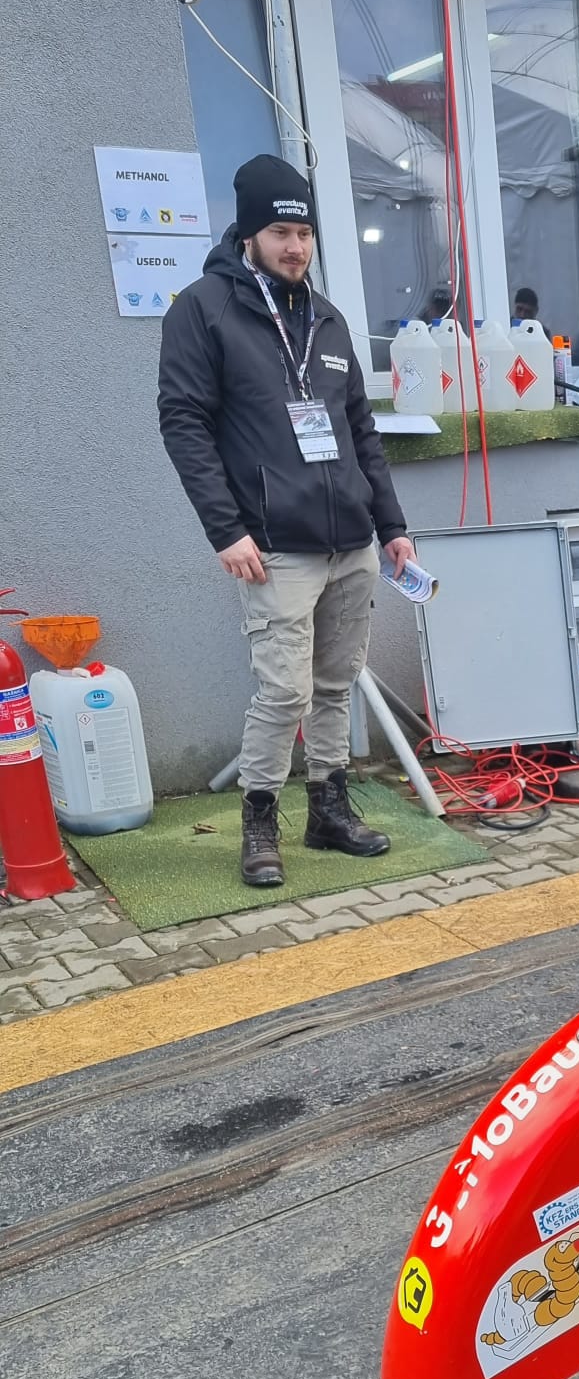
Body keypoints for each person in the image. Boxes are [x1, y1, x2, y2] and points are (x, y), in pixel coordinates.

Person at [158, 154, 416, 888]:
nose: (296, 247)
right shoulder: (203, 310)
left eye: (304, 233)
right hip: (273, 545)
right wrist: (225, 530)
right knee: (283, 693)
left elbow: (361, 430)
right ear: (249, 233)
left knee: (336, 684)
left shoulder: (327, 319)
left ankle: (328, 811)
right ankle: (259, 824)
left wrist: (391, 526)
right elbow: (183, 424)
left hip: (350, 542)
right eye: (280, 232)